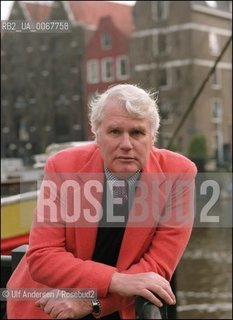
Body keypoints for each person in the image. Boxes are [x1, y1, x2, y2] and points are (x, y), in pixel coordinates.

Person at [7, 84, 197, 319]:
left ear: (153, 137)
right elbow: (43, 256)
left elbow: (157, 267)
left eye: (137, 133)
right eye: (115, 132)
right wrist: (116, 281)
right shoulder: (63, 167)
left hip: (117, 309)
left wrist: (92, 302)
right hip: (50, 306)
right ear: (96, 135)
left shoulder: (179, 175)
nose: (126, 144)